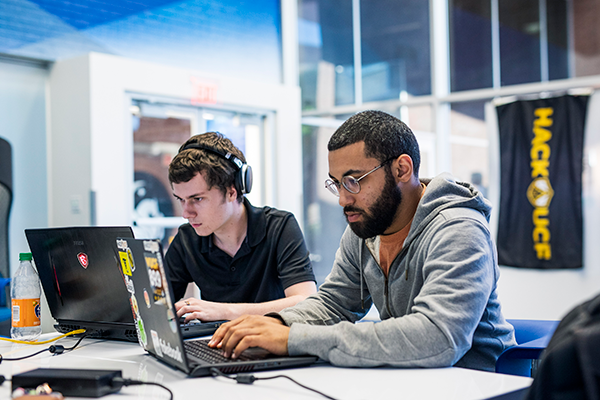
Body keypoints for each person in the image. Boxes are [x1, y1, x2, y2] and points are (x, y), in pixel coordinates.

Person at [209, 110, 516, 372]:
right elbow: (333, 304)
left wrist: (292, 339)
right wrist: (276, 324)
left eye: (354, 181)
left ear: (402, 169)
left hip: (480, 384)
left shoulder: (458, 229)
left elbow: (438, 338)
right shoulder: (366, 227)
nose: (343, 199)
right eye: (337, 183)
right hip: (412, 379)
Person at [166, 132, 317, 322]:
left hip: (273, 348)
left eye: (197, 199)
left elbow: (306, 301)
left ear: (231, 191)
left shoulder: (279, 227)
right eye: (181, 200)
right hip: (216, 346)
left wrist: (223, 312)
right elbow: (156, 306)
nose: (186, 213)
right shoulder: (187, 239)